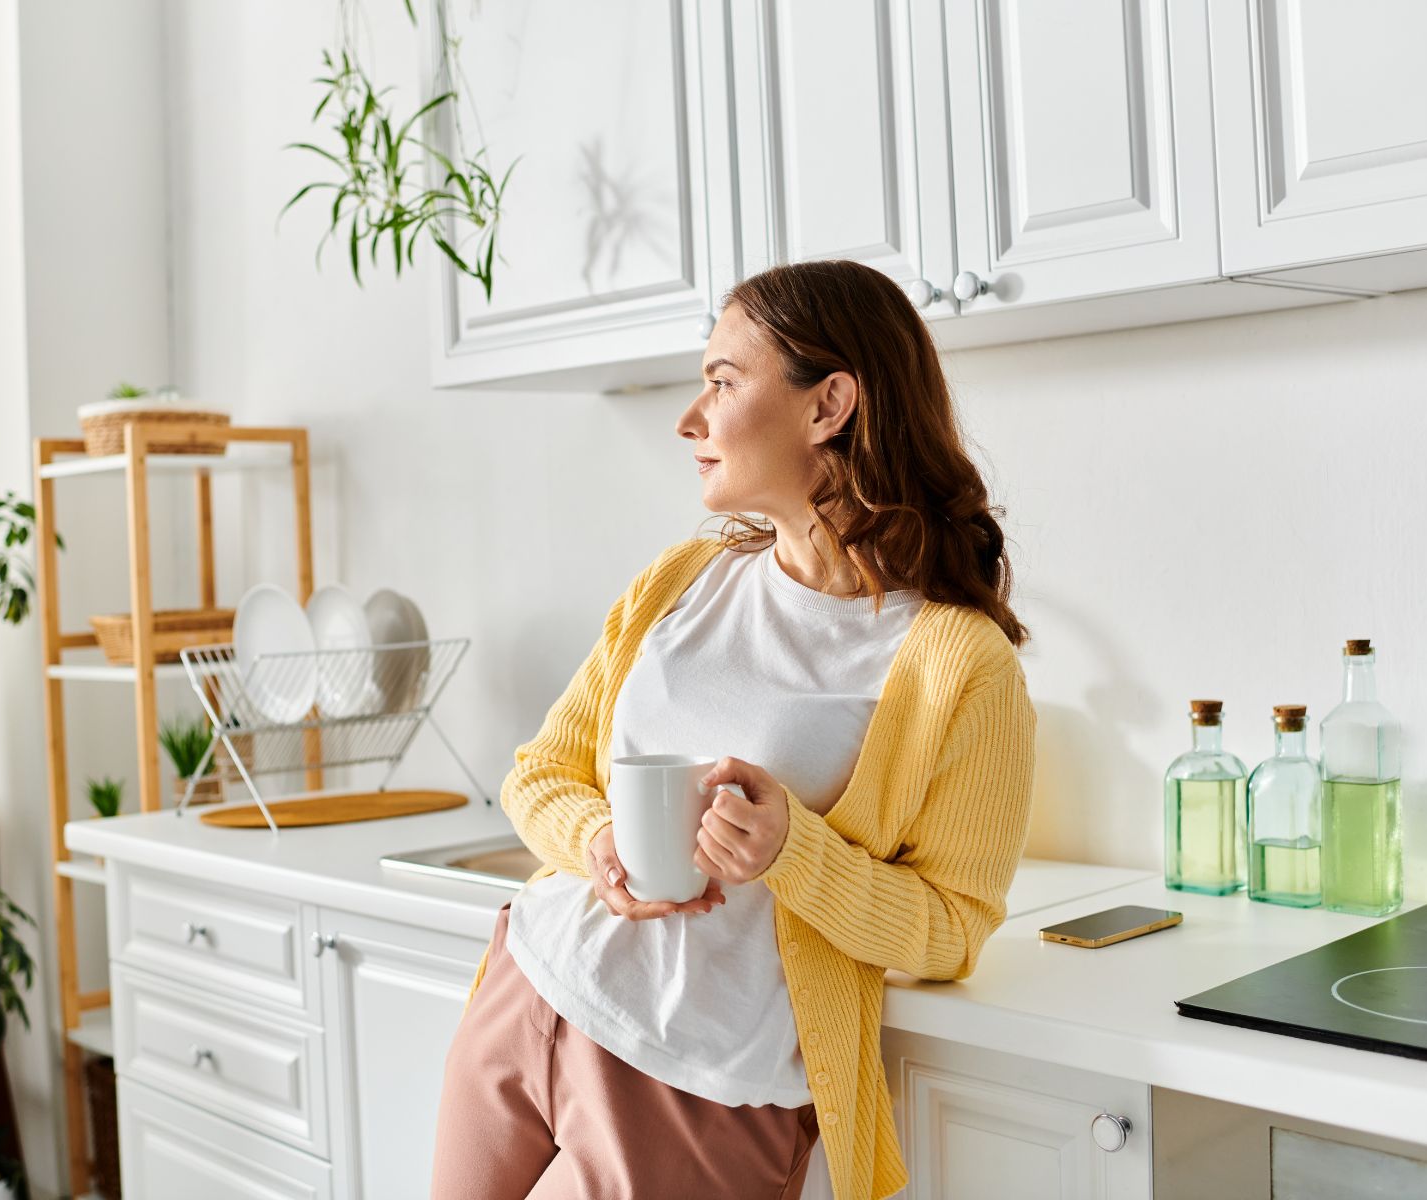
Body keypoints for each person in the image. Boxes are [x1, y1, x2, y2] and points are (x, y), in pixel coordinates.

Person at [430, 259, 1037, 1200]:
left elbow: (952, 928)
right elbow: (543, 770)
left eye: (721, 380)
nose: (690, 418)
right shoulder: (684, 579)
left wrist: (796, 849)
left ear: (828, 403)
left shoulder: (961, 665)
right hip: (531, 988)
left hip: (700, 1079)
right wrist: (598, 843)